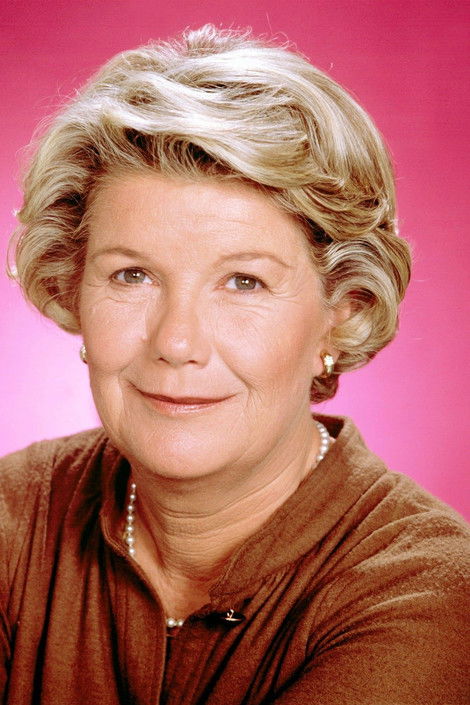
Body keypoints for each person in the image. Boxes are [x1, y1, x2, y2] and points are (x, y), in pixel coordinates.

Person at [1, 23, 468, 705]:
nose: (176, 341)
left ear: (343, 310)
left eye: (244, 282)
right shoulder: (12, 516)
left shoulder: (426, 589)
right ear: (71, 285)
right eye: (132, 275)